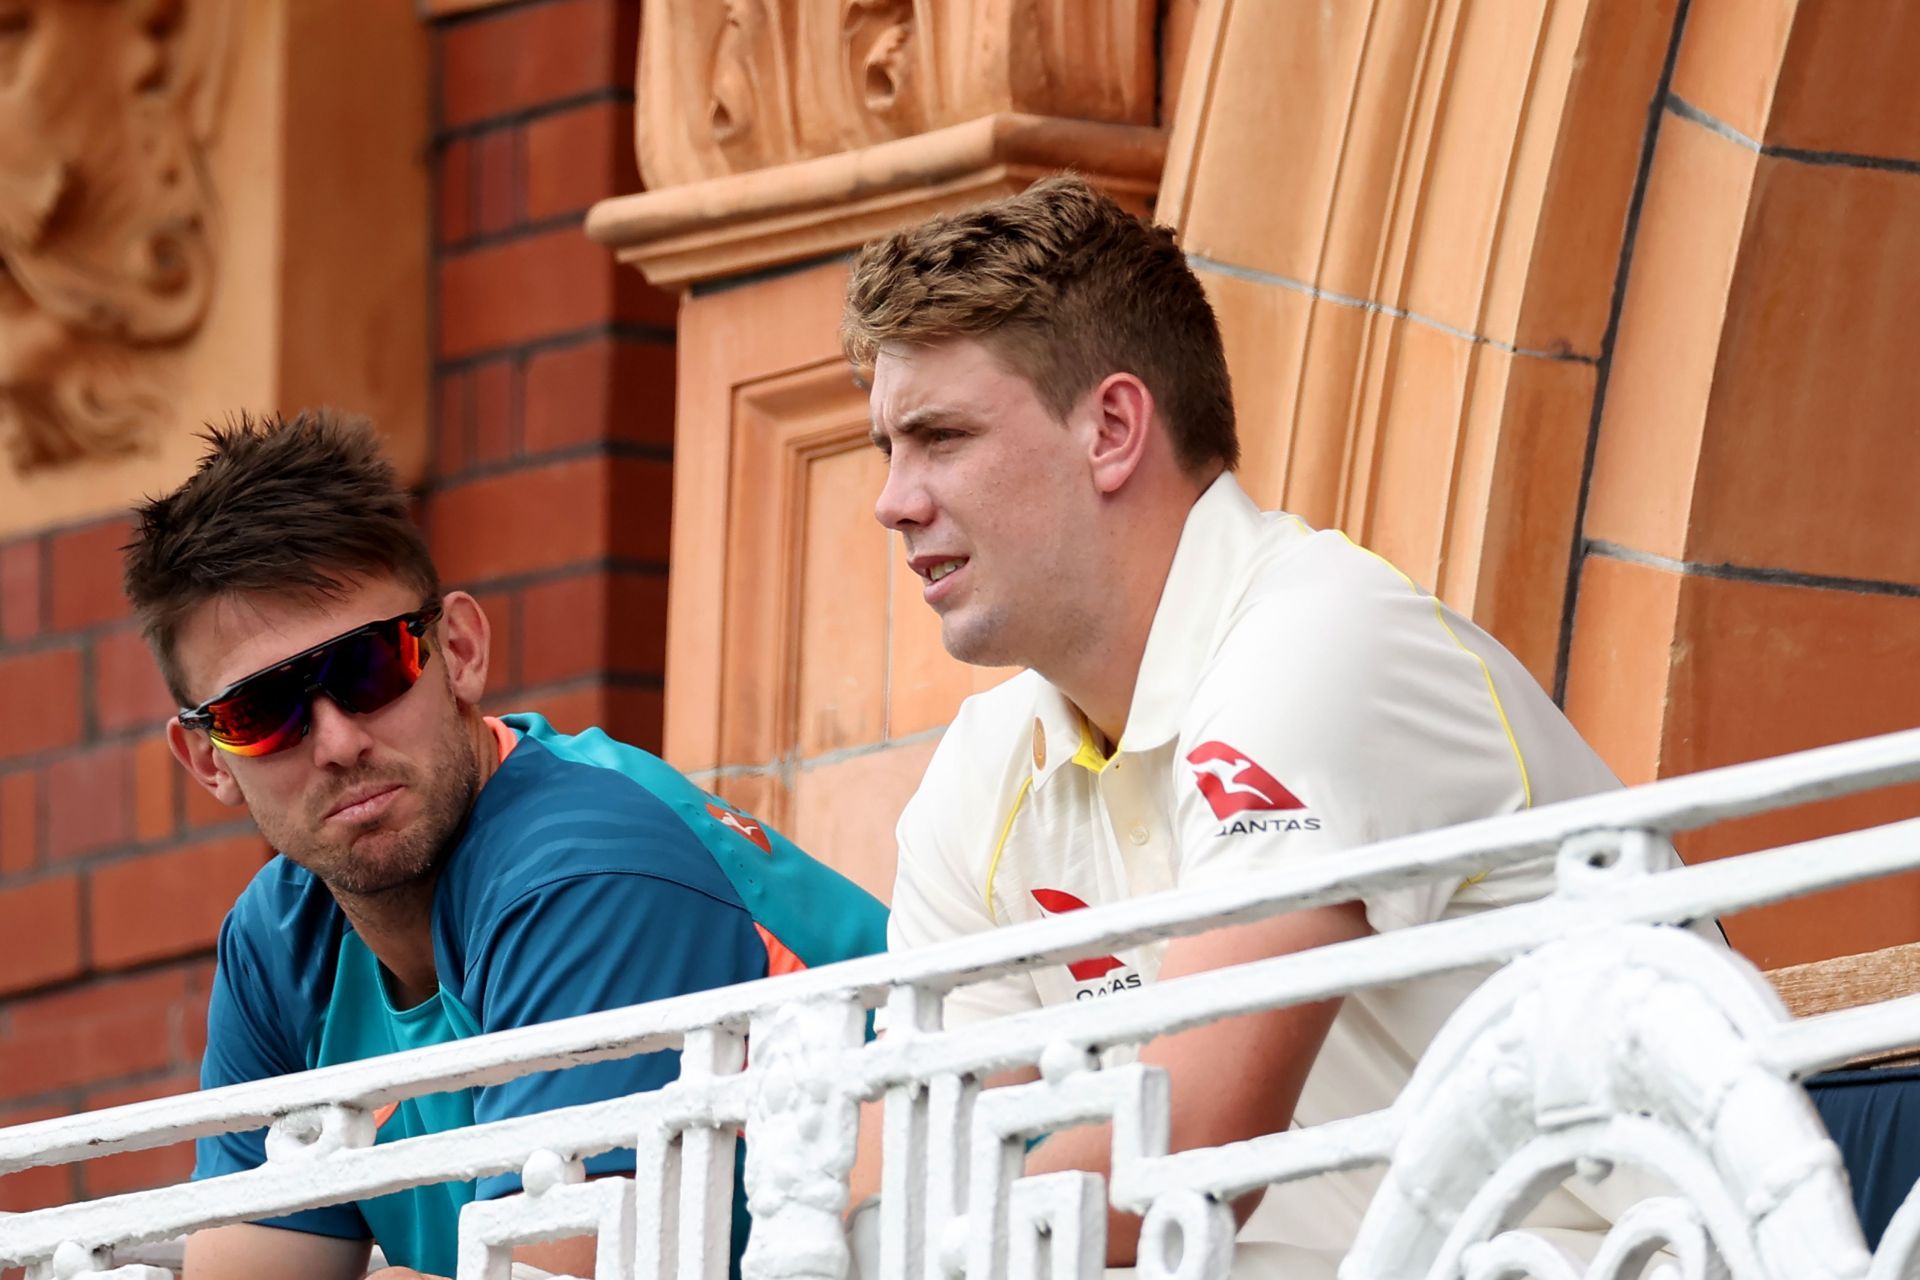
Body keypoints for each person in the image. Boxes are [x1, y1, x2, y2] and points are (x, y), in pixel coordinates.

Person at [844, 175, 1708, 1274]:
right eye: (888, 449)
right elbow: (893, 1184)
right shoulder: (981, 770)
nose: (894, 498)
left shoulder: (1322, 639)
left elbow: (1186, 1149)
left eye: (941, 436)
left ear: (1112, 428)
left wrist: (933, 1231)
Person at [124, 410, 888, 1280]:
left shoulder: (581, 869)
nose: (337, 743)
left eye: (368, 667)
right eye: (261, 713)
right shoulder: (279, 940)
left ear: (459, 648)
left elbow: (548, 1268)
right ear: (206, 760)